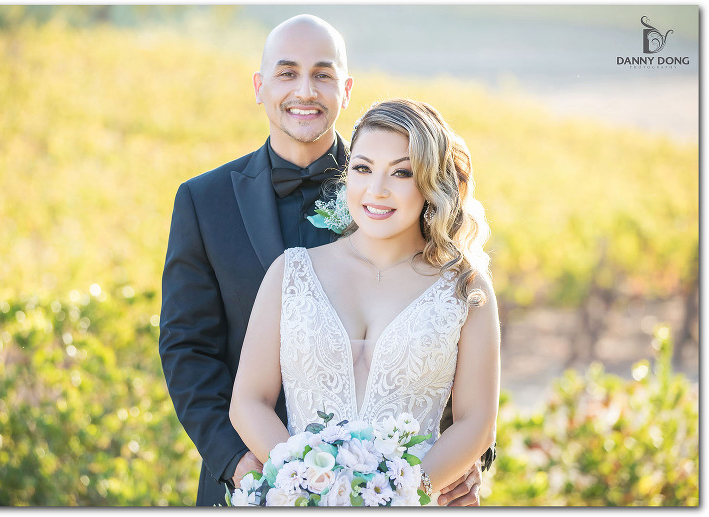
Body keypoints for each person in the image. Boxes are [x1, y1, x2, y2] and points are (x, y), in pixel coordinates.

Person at [159, 14, 488, 507]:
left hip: (405, 486)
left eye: (322, 74)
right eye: (287, 73)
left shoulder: (388, 186)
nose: (305, 91)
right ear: (259, 86)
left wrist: (460, 462)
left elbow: (440, 330)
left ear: (346, 89)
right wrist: (242, 463)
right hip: (254, 478)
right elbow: (187, 348)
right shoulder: (204, 202)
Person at [230, 98, 500, 506]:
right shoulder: (291, 272)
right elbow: (249, 401)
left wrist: (399, 497)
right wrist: (307, 486)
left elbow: (476, 423)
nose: (377, 190)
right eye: (362, 168)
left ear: (431, 182)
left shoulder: (465, 287)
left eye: (402, 172)